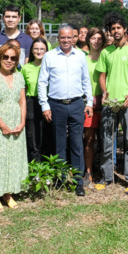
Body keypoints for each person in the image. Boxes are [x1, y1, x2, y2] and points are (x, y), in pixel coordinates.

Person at [38, 24, 93, 197]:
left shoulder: (81, 56)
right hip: (56, 105)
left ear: (74, 38)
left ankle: (78, 181)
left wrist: (89, 102)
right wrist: (45, 105)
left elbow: (86, 80)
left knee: (77, 143)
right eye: (63, 37)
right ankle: (61, 179)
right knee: (59, 143)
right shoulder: (49, 56)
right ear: (58, 38)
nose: (66, 40)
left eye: (70, 37)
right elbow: (42, 82)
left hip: (77, 104)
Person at [96, 14, 128, 195]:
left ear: (124, 29)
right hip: (110, 103)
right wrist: (105, 92)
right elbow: (102, 75)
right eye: (112, 28)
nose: (115, 31)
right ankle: (107, 177)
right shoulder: (106, 52)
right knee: (107, 140)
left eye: (118, 28)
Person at [0, 43, 28, 211]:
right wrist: (0, 124)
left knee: (13, 158)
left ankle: (8, 193)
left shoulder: (19, 77)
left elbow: (22, 101)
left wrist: (22, 122)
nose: (9, 61)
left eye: (13, 58)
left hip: (17, 122)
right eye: (6, 57)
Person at [22, 37, 51, 162]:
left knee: (47, 136)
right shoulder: (26, 68)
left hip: (49, 103)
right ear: (32, 51)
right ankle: (35, 170)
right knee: (33, 137)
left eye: (42, 49)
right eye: (36, 49)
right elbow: (23, 88)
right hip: (32, 103)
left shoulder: (52, 66)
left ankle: (49, 169)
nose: (39, 51)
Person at [83, 27, 105, 185]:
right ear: (88, 40)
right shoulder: (82, 58)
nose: (96, 41)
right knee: (89, 139)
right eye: (93, 38)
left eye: (99, 38)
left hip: (105, 102)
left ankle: (105, 172)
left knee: (105, 140)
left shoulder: (107, 56)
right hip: (88, 103)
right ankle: (88, 171)